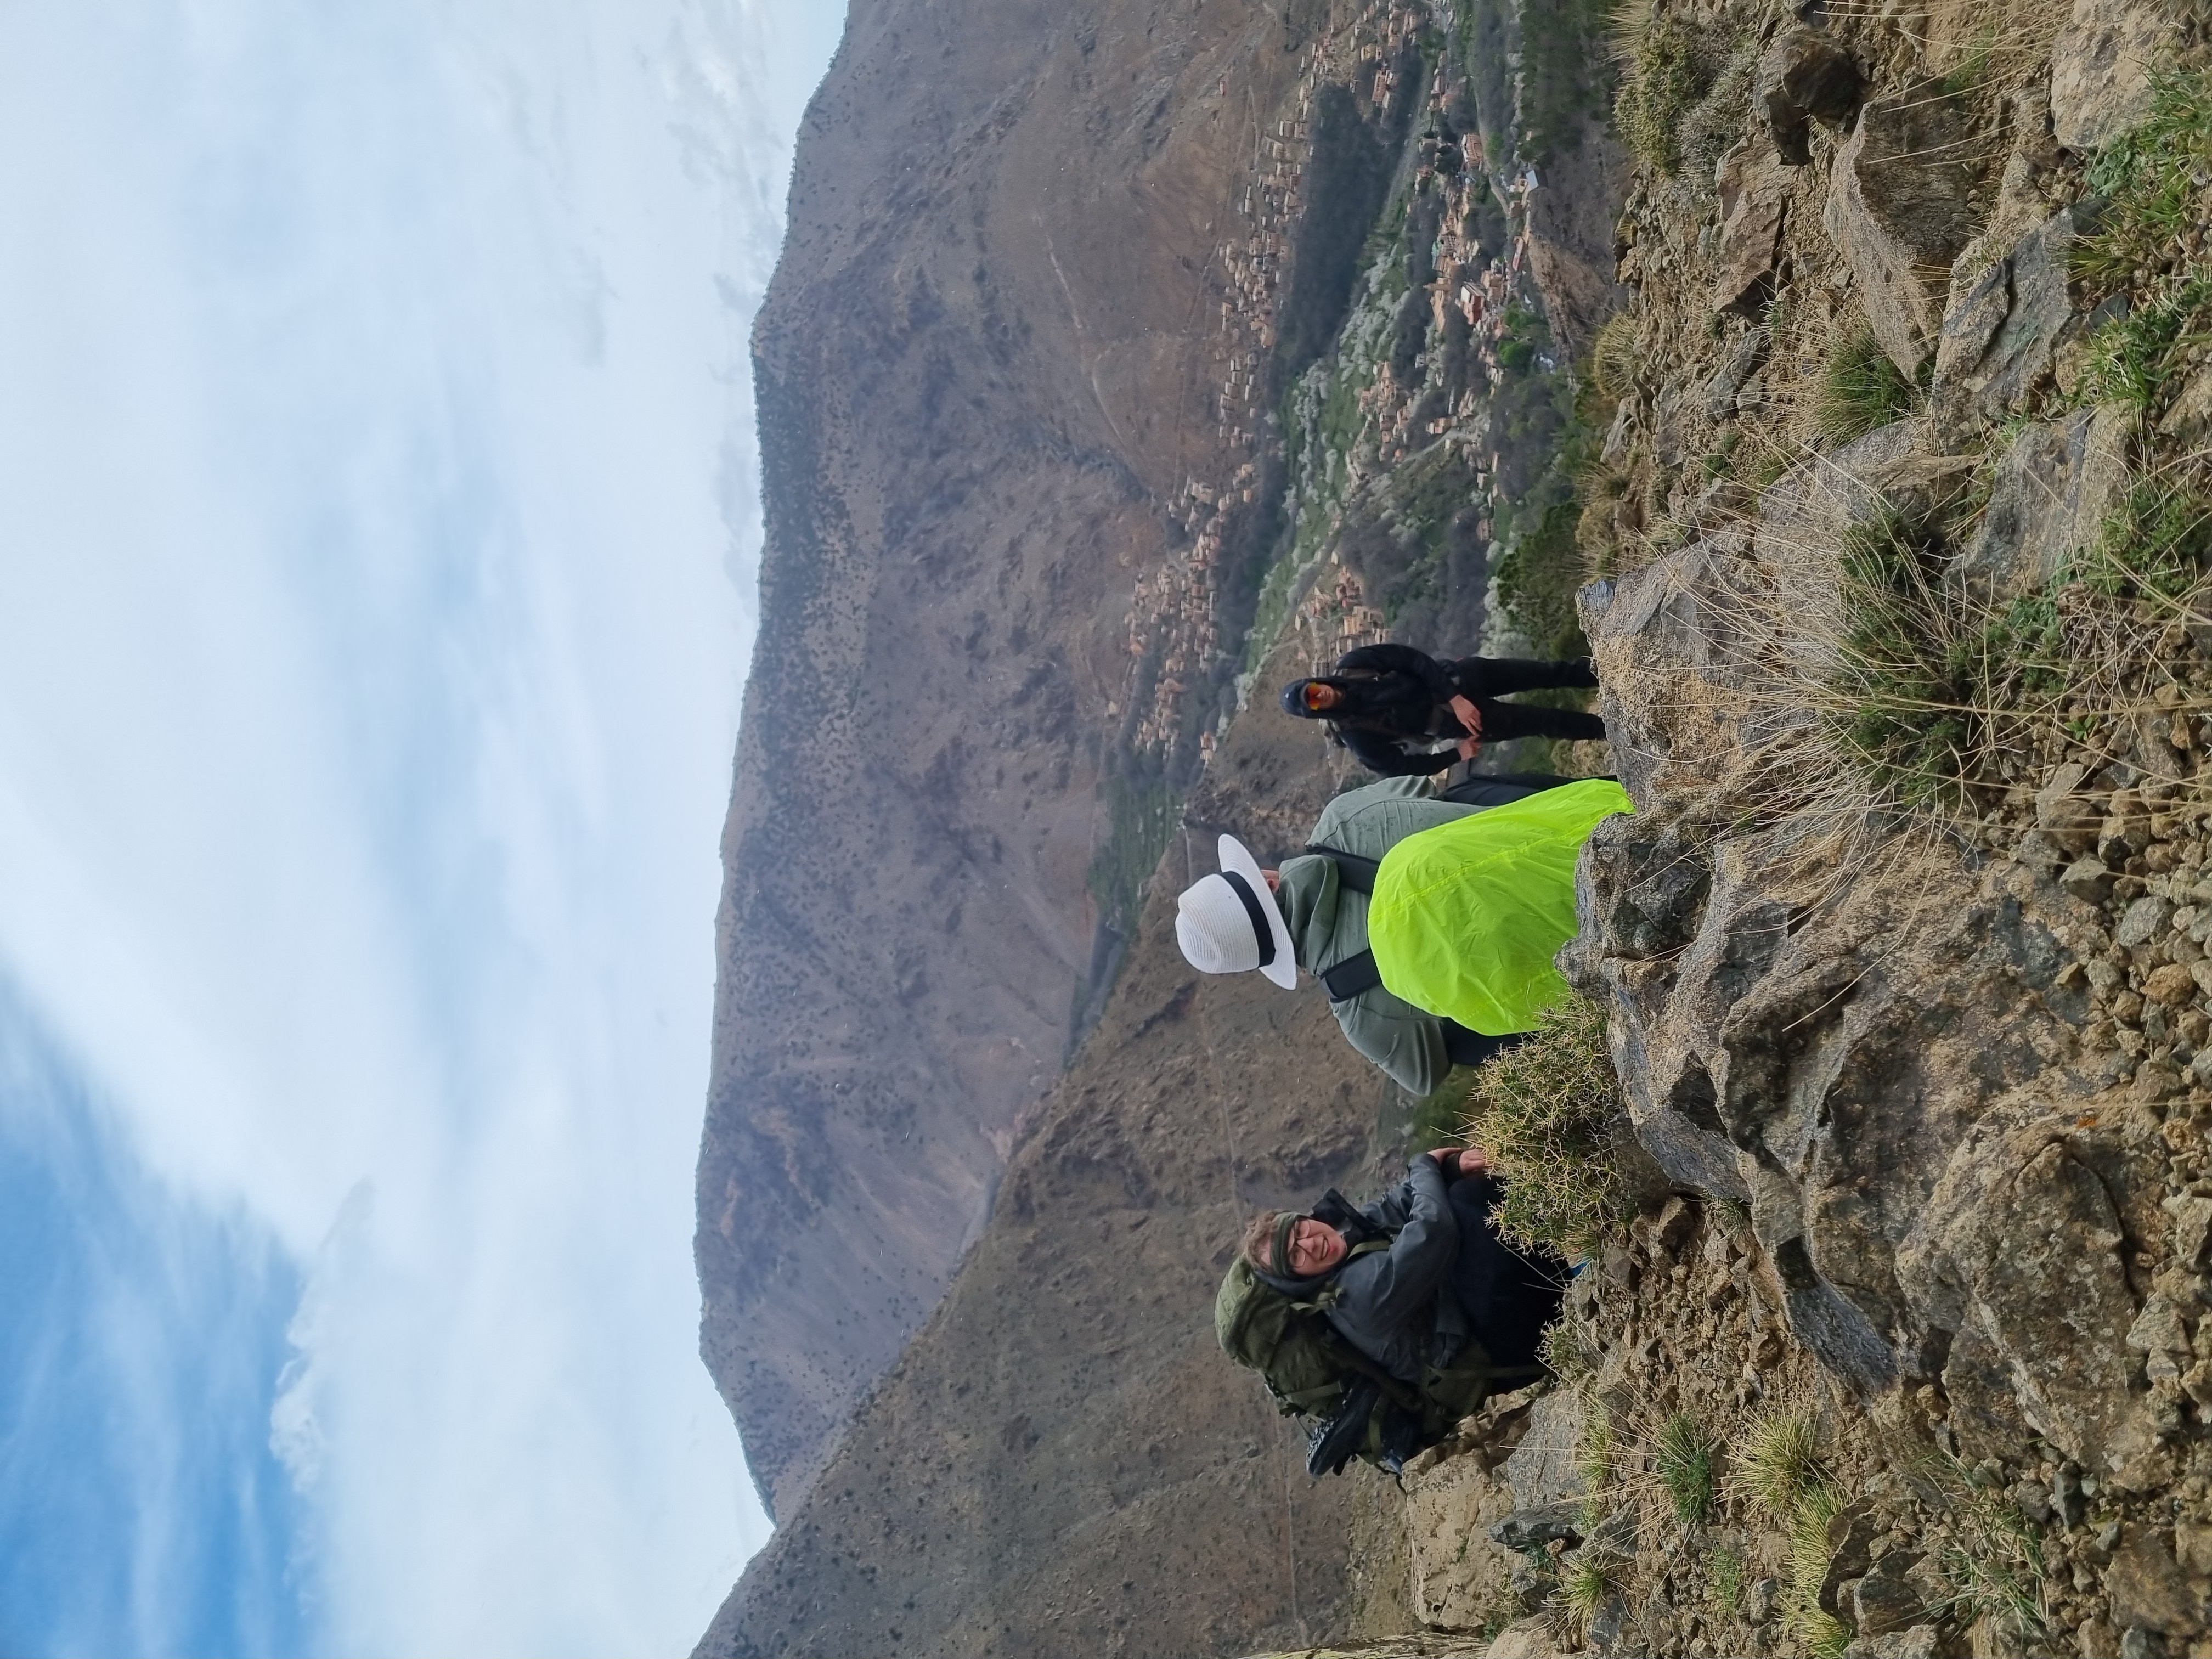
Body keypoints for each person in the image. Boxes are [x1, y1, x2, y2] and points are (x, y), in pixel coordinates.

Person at [1172, 774, 1630, 1096]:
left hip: (1607, 956)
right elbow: (1419, 787)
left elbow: (1426, 1075)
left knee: (1458, 1032)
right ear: (1267, 880)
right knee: (1465, 795)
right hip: (1586, 832)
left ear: (1261, 956)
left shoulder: (1358, 1010)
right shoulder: (1343, 818)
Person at [1238, 1146, 1567, 1469]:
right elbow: (1435, 1229)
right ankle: (1571, 1292)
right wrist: (1424, 1164)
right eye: (1296, 1256)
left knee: (1461, 1191)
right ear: (1297, 1280)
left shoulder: (1341, 1250)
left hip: (1473, 1326)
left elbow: (1396, 1204)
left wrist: (1447, 1168)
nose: (1311, 1244)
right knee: (1465, 1206)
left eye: (1300, 1230)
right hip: (1493, 1359)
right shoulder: (1353, 1297)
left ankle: (1568, 1235)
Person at [1280, 641, 1604, 778]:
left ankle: (1611, 669)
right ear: (1316, 713)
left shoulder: (1354, 665)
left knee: (1549, 672)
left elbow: (1413, 660)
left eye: (1312, 690)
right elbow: (1400, 767)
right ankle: (1614, 729)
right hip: (1464, 724)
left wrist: (1454, 697)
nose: (1320, 695)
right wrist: (1457, 755)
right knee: (1547, 722)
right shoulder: (1356, 735)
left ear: (1313, 681)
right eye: (1313, 703)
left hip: (1462, 677)